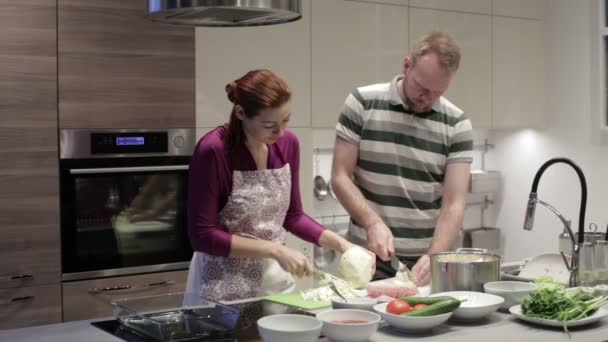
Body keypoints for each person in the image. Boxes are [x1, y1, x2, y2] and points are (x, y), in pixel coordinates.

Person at [186, 69, 364, 302]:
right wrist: (275, 249)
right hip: (220, 288)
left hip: (272, 285)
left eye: (286, 120)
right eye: (270, 125)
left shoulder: (288, 144)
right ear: (240, 113)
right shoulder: (213, 151)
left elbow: (292, 215)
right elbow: (202, 236)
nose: (280, 132)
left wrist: (343, 245)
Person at [330, 32, 473, 286]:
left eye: (437, 92)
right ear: (407, 65)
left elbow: (454, 203)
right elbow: (340, 177)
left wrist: (433, 257)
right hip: (366, 259)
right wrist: (372, 223)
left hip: (425, 265)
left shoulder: (457, 124)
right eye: (421, 86)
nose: (426, 98)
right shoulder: (362, 103)